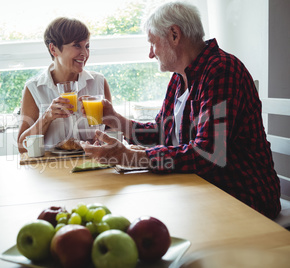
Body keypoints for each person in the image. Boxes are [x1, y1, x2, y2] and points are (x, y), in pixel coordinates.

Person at [80, 2, 281, 219]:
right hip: (198, 187)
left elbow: (208, 154)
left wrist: (129, 156)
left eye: (153, 43)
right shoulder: (179, 78)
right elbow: (161, 132)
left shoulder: (222, 70)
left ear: (175, 35)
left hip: (239, 195)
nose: (150, 54)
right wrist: (114, 119)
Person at [18, 17, 112, 152]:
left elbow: (113, 129)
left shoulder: (98, 82)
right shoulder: (34, 88)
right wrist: (46, 117)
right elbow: (22, 147)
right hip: (53, 169)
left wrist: (103, 139)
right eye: (77, 45)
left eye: (87, 46)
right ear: (53, 49)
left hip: (93, 165)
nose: (85, 54)